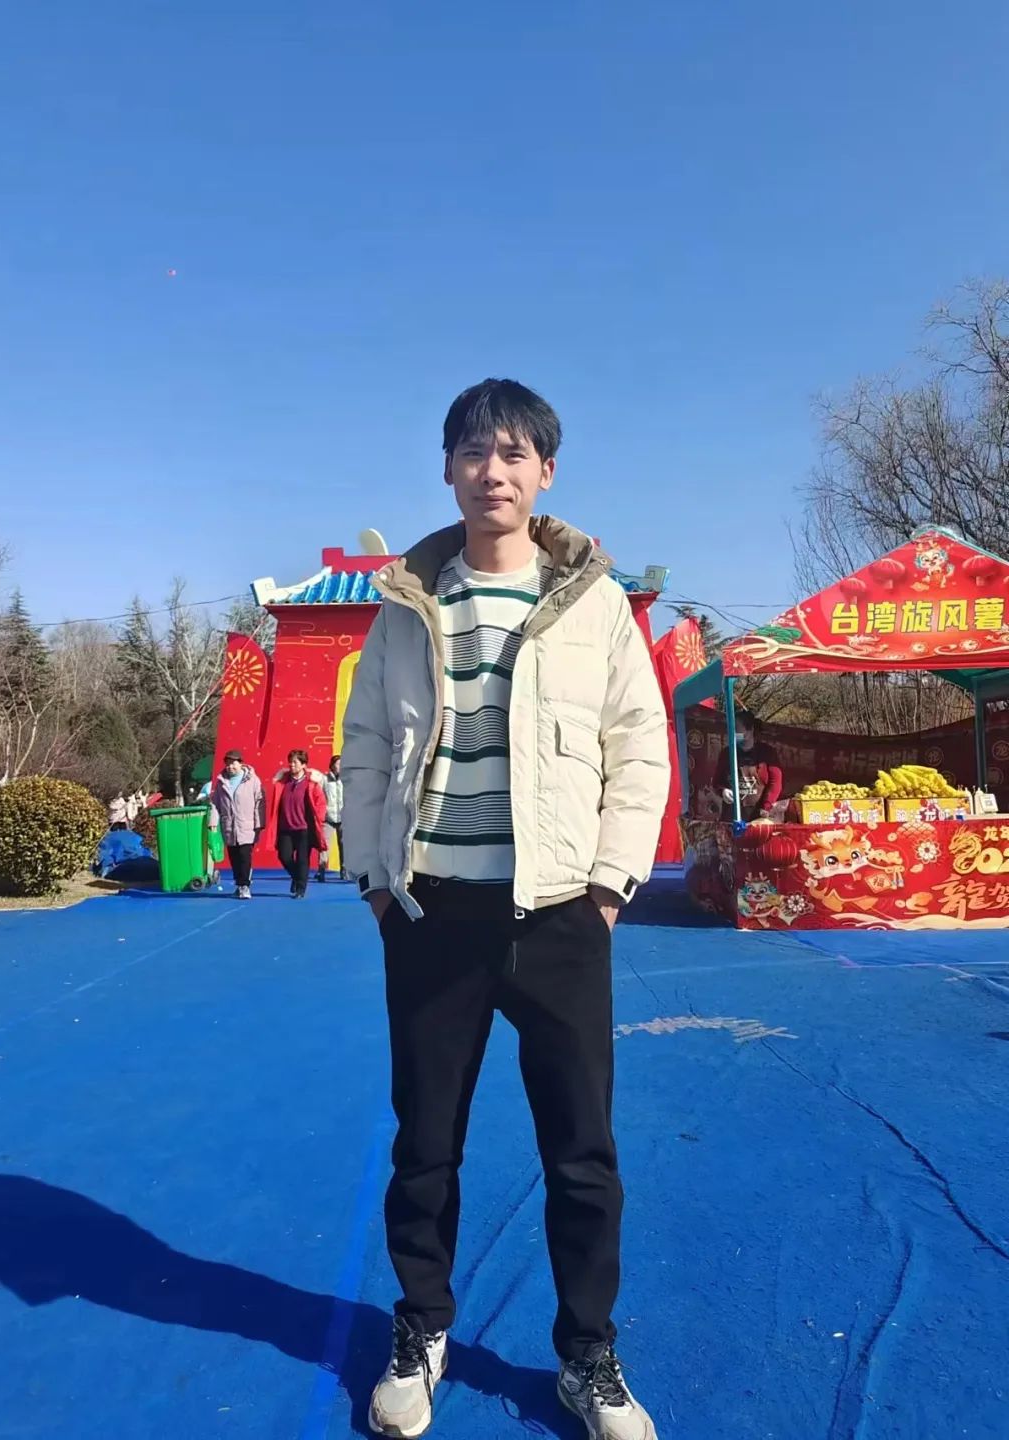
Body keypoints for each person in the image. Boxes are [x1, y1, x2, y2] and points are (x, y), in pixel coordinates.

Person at [342, 378, 669, 1440]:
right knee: (425, 1143)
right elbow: (365, 748)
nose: (494, 471)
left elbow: (640, 746)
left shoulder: (593, 601)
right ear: (448, 468)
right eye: (475, 451)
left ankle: (587, 1356)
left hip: (560, 914)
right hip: (431, 912)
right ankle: (422, 1329)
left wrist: (609, 887)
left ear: (546, 474)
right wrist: (373, 881)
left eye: (515, 453)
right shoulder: (406, 605)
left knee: (583, 1151)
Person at [208, 749, 265, 899]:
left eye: (233, 763)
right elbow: (215, 803)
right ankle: (239, 884)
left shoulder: (252, 780)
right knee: (234, 858)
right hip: (229, 827)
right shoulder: (221, 782)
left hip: (247, 826)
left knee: (245, 856)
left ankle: (245, 885)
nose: (230, 767)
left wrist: (259, 823)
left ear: (240, 764)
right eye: (228, 764)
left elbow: (260, 801)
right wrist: (213, 821)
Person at [273, 749, 327, 898]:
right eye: (290, 762)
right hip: (286, 827)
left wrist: (318, 819)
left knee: (303, 859)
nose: (291, 765)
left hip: (304, 828)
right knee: (284, 856)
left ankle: (300, 889)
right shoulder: (283, 782)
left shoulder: (311, 783)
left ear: (304, 765)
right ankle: (297, 877)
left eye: (295, 762)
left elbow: (321, 803)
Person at [713, 708, 784, 821]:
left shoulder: (767, 753)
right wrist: (722, 791)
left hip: (758, 814)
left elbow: (775, 782)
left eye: (736, 729)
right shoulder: (727, 753)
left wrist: (766, 805)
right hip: (731, 814)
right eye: (730, 729)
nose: (733, 733)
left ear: (750, 730)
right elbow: (717, 781)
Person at [317, 754, 345, 882]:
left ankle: (344, 870)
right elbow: (319, 796)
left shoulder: (346, 779)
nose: (339, 766)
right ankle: (321, 870)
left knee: (343, 845)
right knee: (324, 846)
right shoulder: (324, 779)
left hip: (343, 817)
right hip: (328, 818)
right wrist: (323, 812)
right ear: (332, 765)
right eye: (337, 763)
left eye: (341, 763)